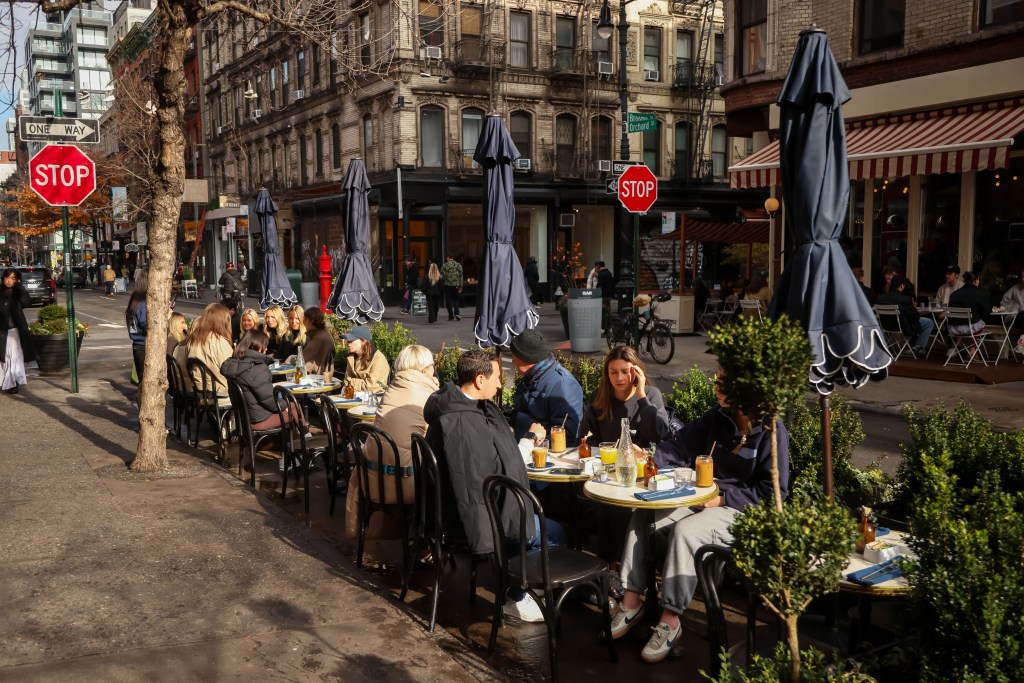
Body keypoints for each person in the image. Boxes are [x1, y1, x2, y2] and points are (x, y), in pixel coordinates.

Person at [612, 367, 789, 663]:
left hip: (741, 511)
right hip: (704, 498)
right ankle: (631, 601)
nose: (717, 389)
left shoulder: (772, 430)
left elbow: (774, 495)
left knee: (686, 532)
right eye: (717, 382)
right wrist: (651, 462)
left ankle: (671, 619)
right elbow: (680, 445)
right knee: (645, 512)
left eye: (724, 383)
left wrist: (724, 498)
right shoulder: (718, 417)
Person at [424, 348, 563, 623]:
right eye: (497, 378)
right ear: (479, 380)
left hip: (446, 508)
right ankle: (518, 596)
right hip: (470, 519)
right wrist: (529, 441)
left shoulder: (450, 406)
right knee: (557, 532)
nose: (500, 385)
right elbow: (493, 483)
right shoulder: (464, 424)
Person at [344, 344, 439, 539]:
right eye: (432, 365)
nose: (434, 369)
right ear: (423, 370)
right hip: (402, 484)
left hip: (372, 478)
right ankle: (426, 544)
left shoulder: (392, 389)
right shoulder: (427, 396)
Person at [578, 345, 670, 448]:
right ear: (607, 374)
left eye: (625, 372)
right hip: (606, 460)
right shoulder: (599, 396)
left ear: (637, 372)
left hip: (641, 462)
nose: (619, 378)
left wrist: (641, 396)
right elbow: (587, 439)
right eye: (613, 372)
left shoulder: (651, 395)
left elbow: (657, 434)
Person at [220, 329, 306, 432]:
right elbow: (269, 402)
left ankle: (299, 439)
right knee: (295, 407)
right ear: (257, 346)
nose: (266, 349)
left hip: (245, 418)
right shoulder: (257, 367)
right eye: (265, 345)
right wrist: (284, 405)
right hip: (259, 420)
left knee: (292, 406)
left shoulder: (235, 363)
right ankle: (305, 440)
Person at [509, 328, 584, 446]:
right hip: (522, 448)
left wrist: (530, 442)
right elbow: (518, 414)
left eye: (515, 356)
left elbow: (566, 437)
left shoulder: (562, 384)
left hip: (544, 456)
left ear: (528, 358)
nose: (512, 360)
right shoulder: (532, 376)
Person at [175, 302, 233, 393]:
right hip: (219, 395)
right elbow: (231, 372)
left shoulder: (192, 340)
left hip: (199, 394)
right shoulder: (220, 342)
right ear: (223, 321)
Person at [879, 276, 933, 356]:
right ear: (902, 286)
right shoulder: (905, 299)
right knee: (929, 322)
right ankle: (918, 347)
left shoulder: (882, 298)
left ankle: (911, 346)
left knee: (910, 321)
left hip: (886, 326)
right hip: (902, 326)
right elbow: (915, 317)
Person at [0, 268, 35, 394]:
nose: (9, 281)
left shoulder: (17, 293)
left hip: (14, 330)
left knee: (14, 356)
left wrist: (20, 286)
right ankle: (5, 381)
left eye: (13, 279)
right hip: (2, 330)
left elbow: (26, 302)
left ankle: (13, 382)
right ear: (3, 278)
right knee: (3, 357)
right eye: (7, 278)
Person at [342, 325, 390, 391]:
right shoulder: (351, 358)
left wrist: (351, 382)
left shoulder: (378, 359)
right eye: (348, 341)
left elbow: (371, 386)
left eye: (351, 340)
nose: (348, 343)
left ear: (363, 341)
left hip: (374, 398)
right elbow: (345, 382)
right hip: (353, 397)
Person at [948, 271, 990, 336]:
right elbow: (987, 311)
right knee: (978, 322)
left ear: (965, 281)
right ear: (976, 281)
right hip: (971, 329)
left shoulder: (954, 294)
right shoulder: (979, 293)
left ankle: (959, 344)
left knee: (973, 321)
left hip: (953, 329)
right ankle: (972, 346)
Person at [125, 269, 149, 385]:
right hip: (145, 345)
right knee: (146, 383)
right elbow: (146, 324)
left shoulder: (135, 299)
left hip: (137, 344)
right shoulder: (143, 302)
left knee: (142, 381)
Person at [301, 306, 335, 374]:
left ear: (307, 320)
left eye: (304, 319)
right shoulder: (321, 334)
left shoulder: (319, 338)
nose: (303, 321)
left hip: (317, 378)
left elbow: (302, 359)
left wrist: (288, 360)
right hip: (319, 374)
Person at [440, 254, 463, 321]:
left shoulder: (445, 265)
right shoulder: (458, 265)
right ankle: (457, 313)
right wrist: (460, 286)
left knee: (448, 300)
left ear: (448, 258)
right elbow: (461, 276)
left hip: (448, 285)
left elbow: (442, 275)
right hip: (456, 285)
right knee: (456, 299)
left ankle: (451, 315)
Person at [596, 261, 614, 331]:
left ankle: (603, 328)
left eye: (596, 267)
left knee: (602, 312)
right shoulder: (609, 273)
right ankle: (610, 327)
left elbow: (599, 285)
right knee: (608, 311)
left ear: (598, 266)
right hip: (608, 295)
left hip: (602, 296)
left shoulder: (601, 274)